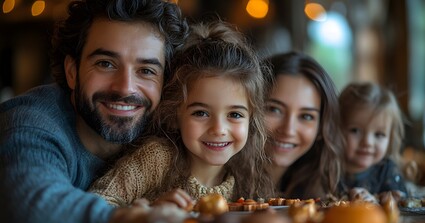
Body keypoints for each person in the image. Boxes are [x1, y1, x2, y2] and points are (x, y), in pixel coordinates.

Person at [0, 0, 188, 223]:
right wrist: (129, 217)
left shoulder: (166, 131)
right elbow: (27, 207)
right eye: (106, 64)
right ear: (72, 72)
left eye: (146, 71)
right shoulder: (29, 122)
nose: (125, 88)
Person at [89, 20, 275, 209]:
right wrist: (147, 213)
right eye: (201, 113)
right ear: (175, 116)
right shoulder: (156, 159)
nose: (219, 129)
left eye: (235, 115)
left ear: (251, 118)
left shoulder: (248, 174)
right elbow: (97, 203)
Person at [263, 51, 345, 199]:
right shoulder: (219, 189)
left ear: (321, 128)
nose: (289, 130)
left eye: (306, 116)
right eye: (274, 109)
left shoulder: (323, 190)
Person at [338, 81, 408, 198]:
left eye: (379, 134)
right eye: (355, 130)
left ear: (390, 138)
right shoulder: (327, 167)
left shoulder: (387, 170)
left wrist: (387, 201)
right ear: (336, 129)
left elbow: (405, 205)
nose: (367, 142)